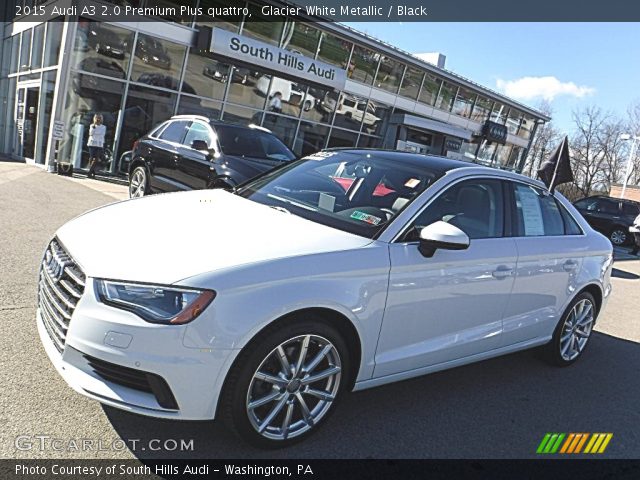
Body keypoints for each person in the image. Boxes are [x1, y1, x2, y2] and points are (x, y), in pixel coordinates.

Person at [87, 114, 106, 179]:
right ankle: (92, 172)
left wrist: (96, 132)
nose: (98, 119)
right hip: (92, 143)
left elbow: (102, 134)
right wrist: (94, 128)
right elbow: (91, 133)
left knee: (96, 158)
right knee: (91, 157)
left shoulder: (103, 127)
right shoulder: (92, 126)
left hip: (99, 144)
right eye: (97, 118)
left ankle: (90, 171)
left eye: (99, 118)